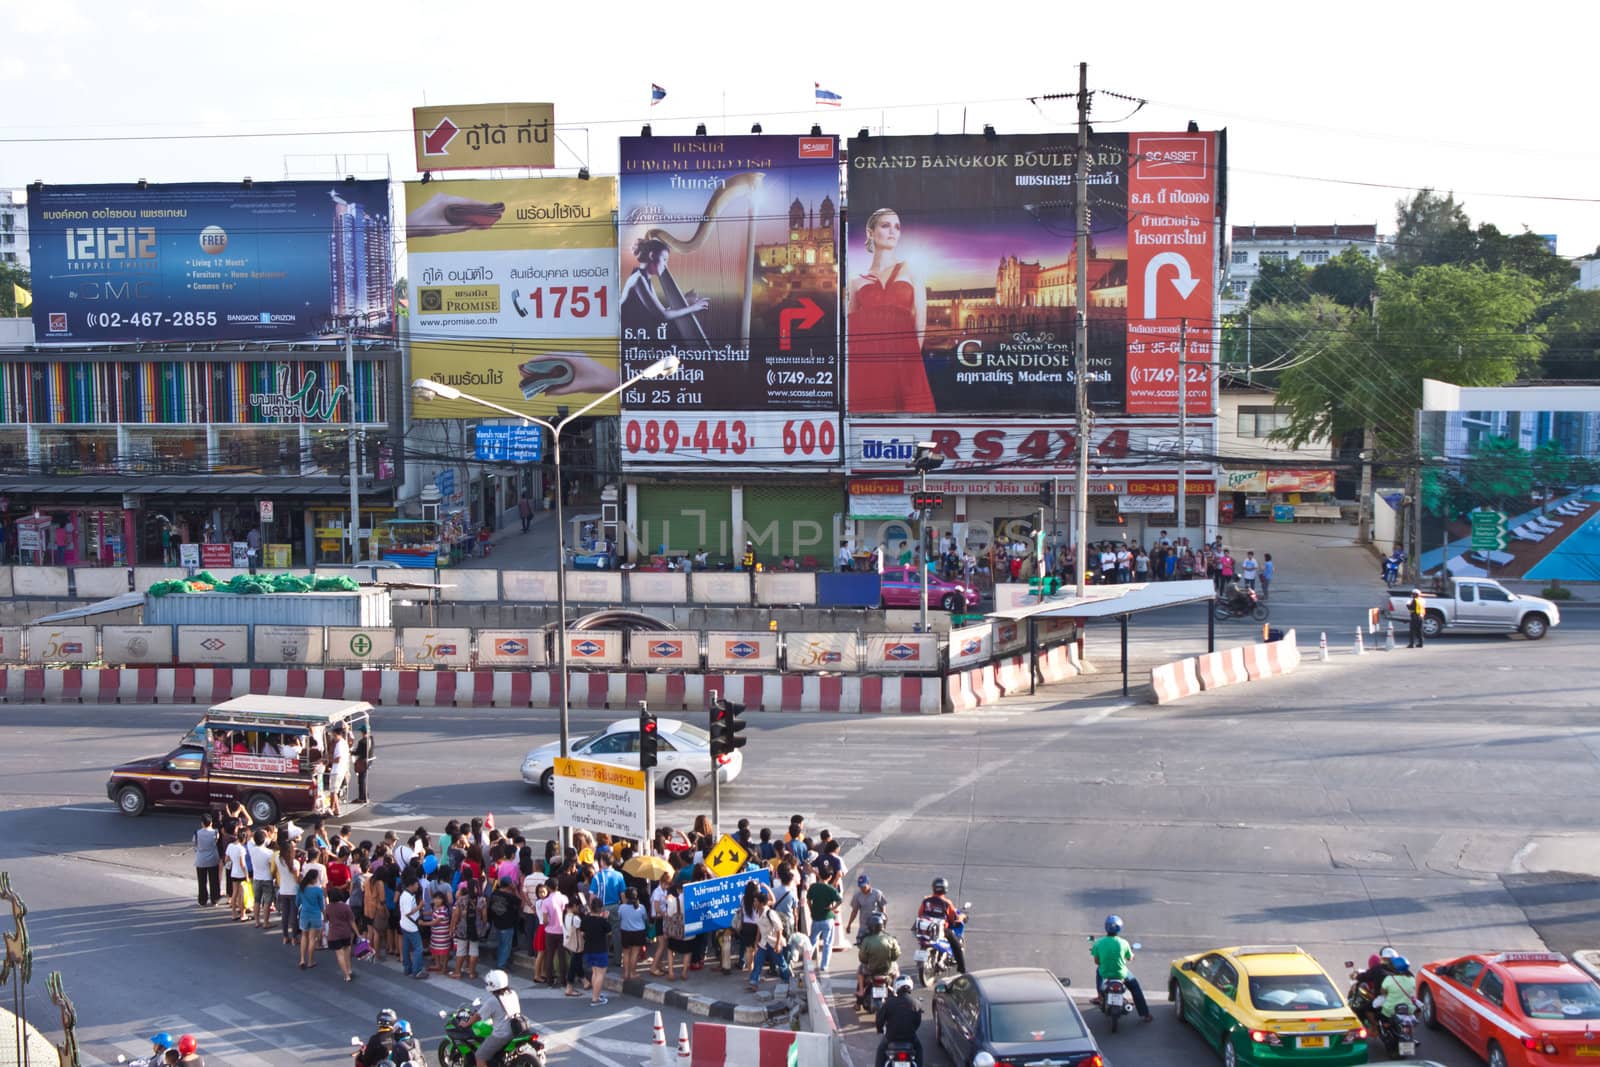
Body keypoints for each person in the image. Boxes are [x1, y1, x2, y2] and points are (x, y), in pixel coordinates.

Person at [847, 208, 934, 413]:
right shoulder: (856, 281)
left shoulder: (912, 270)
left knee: (913, 424)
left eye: (897, 227)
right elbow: (851, 330)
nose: (892, 231)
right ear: (870, 233)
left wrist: (911, 361)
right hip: (868, 366)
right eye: (885, 226)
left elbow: (920, 322)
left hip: (905, 362)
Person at [620, 237, 710, 333]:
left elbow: (660, 311)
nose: (665, 265)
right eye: (664, 259)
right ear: (651, 255)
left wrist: (685, 300)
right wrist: (694, 308)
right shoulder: (638, 279)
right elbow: (663, 315)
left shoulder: (645, 279)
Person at [1089, 914, 1151, 1021]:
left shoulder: (1098, 943)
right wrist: (1132, 956)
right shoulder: (1124, 943)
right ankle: (1145, 1014)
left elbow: (1097, 962)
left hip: (1105, 973)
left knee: (1098, 971)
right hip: (1121, 974)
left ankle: (1100, 995)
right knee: (1135, 988)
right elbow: (1130, 958)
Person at [916, 878, 966, 974]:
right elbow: (952, 918)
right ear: (945, 889)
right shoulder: (947, 903)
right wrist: (962, 917)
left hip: (926, 930)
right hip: (941, 930)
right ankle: (962, 970)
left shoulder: (926, 900)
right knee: (957, 947)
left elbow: (920, 914)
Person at [473, 969, 522, 1067]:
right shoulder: (512, 993)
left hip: (502, 1034)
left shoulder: (492, 1001)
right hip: (517, 1029)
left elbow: (478, 1016)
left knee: (479, 1056)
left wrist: (466, 1024)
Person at [874, 975, 923, 1067]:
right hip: (910, 1037)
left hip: (891, 1037)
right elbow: (917, 1022)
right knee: (919, 1049)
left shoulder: (889, 1002)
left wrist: (879, 1029)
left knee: (881, 1050)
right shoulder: (916, 1003)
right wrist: (912, 1030)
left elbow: (880, 1019)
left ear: (897, 987)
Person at [856, 914, 901, 1004]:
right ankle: (896, 989)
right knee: (896, 970)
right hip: (887, 970)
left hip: (871, 970)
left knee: (860, 971)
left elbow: (862, 958)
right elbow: (896, 956)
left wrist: (868, 961)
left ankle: (861, 991)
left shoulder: (866, 940)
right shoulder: (890, 939)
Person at [806, 866, 844, 971]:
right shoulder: (831, 889)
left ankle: (806, 962)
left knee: (812, 941)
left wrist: (811, 909)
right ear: (830, 877)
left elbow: (808, 900)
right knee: (827, 943)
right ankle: (824, 966)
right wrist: (832, 908)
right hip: (828, 918)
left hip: (816, 918)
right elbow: (840, 900)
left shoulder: (813, 887)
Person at [581, 897, 612, 1006]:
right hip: (600, 950)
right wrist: (605, 918)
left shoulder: (586, 919)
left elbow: (582, 932)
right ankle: (595, 998)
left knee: (594, 972)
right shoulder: (602, 921)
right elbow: (609, 932)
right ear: (600, 908)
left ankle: (596, 993)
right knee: (600, 974)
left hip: (588, 949)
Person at [324, 886, 357, 982]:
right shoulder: (345, 907)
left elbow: (326, 920)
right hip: (346, 932)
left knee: (339, 955)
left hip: (334, 934)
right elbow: (352, 921)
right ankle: (349, 969)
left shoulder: (328, 908)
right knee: (347, 951)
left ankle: (346, 975)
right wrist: (357, 933)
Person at [845, 873, 889, 941]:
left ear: (868, 884)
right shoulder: (857, 896)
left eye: (864, 886)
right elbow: (854, 911)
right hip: (864, 926)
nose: (862, 889)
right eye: (860, 887)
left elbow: (883, 907)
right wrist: (849, 924)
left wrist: (883, 922)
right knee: (860, 942)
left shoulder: (877, 893)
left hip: (876, 925)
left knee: (877, 944)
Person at [296, 868, 325, 970]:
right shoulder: (318, 890)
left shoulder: (301, 888)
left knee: (304, 936)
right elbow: (322, 906)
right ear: (314, 879)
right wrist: (325, 916)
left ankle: (302, 959)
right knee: (312, 939)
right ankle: (310, 961)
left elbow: (297, 902)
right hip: (315, 915)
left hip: (304, 914)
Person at [1375, 955, 1419, 1020]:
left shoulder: (1389, 979)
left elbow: (1383, 992)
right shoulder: (1412, 979)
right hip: (1408, 1010)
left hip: (1390, 1011)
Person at [193, 813, 221, 908]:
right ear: (211, 823)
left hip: (201, 860)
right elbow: (216, 842)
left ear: (202, 823)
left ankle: (202, 900)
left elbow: (195, 845)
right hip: (213, 859)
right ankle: (215, 899)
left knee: (202, 881)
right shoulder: (215, 833)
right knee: (214, 880)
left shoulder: (197, 833)